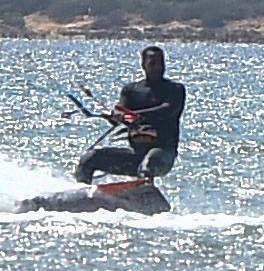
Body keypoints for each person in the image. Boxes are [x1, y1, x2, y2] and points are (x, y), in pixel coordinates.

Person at [76, 46, 187, 184]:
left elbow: (167, 109)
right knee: (90, 158)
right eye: (153, 63)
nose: (158, 67)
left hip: (162, 155)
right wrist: (117, 116)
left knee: (147, 166)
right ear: (143, 65)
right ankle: (81, 195)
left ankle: (145, 197)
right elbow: (120, 111)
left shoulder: (175, 90)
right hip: (134, 155)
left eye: (161, 63)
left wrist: (135, 115)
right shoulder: (131, 91)